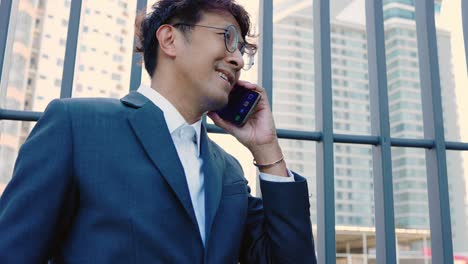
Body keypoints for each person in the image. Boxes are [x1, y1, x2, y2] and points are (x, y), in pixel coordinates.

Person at [0, 0, 317, 263]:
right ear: (169, 39)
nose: (237, 58)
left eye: (243, 52)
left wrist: (267, 150)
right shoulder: (77, 126)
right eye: (228, 38)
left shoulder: (230, 173)